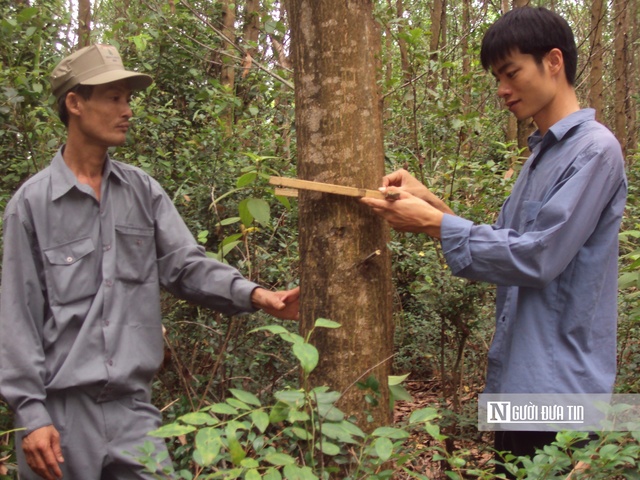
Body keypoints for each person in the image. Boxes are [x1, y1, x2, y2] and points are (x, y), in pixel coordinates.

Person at [0, 44, 299, 480]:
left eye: (128, 99)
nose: (127, 111)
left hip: (133, 410)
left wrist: (257, 296)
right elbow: (18, 318)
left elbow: (186, 266)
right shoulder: (31, 205)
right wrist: (31, 413)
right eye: (114, 98)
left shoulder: (142, 192)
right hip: (60, 414)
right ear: (75, 103)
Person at [361, 6, 627, 477]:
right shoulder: (540, 156)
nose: (502, 90)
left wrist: (431, 224)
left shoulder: (596, 150)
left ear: (553, 62)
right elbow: (507, 244)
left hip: (562, 390)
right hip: (518, 380)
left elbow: (538, 258)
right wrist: (432, 204)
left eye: (511, 73)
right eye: (496, 78)